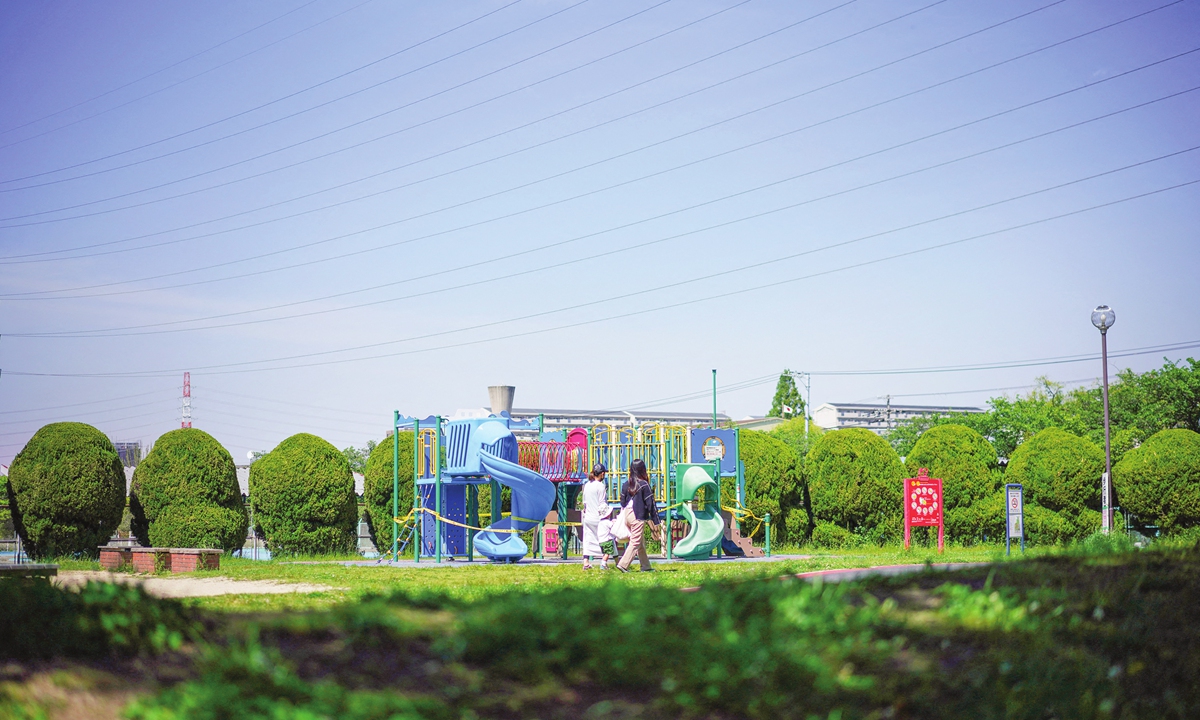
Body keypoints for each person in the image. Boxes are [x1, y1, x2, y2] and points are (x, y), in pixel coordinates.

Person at [617, 458, 661, 573]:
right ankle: (623, 564)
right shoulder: (644, 484)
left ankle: (646, 567)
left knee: (640, 542)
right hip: (637, 516)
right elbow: (650, 503)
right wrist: (656, 521)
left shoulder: (626, 484)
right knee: (635, 542)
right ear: (643, 470)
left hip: (627, 514)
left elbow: (622, 501)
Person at [580, 463, 608, 570]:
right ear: (602, 474)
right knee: (606, 539)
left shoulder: (587, 485)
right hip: (598, 518)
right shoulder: (601, 486)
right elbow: (602, 504)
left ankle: (586, 562)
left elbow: (585, 502)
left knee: (587, 539)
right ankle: (604, 562)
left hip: (588, 517)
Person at [596, 505, 616, 570]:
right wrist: (614, 522)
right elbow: (613, 526)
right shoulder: (607, 522)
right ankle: (603, 564)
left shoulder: (600, 523)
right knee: (607, 553)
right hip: (607, 540)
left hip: (601, 541)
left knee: (604, 553)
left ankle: (604, 564)